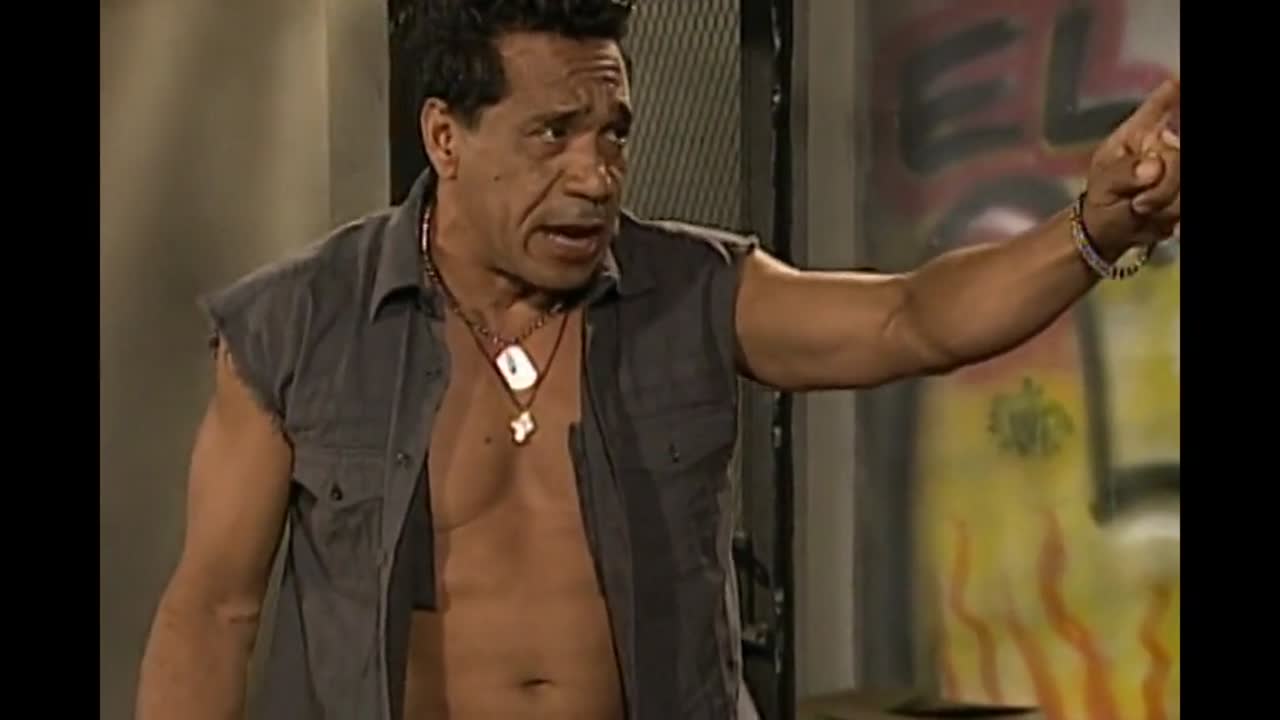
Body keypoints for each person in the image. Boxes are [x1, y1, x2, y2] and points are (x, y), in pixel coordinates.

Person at [134, 1, 1181, 718]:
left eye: (613, 133)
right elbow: (212, 614)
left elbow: (913, 320)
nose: (596, 176)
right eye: (553, 134)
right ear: (445, 139)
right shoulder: (297, 328)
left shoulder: (693, 292)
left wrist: (1093, 229)